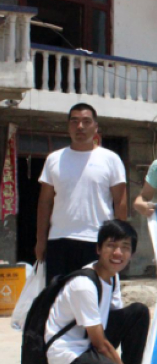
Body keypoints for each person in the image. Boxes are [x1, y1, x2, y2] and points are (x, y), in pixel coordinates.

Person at [48, 220, 150, 364]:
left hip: (87, 342)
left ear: (131, 253)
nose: (118, 253)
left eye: (125, 247)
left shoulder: (112, 276)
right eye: (111, 245)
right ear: (98, 249)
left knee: (138, 313)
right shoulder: (84, 285)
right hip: (69, 353)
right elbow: (100, 344)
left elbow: (116, 319)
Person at [36, 103, 127, 286]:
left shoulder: (110, 159)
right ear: (68, 126)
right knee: (58, 298)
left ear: (96, 126)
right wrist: (41, 241)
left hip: (98, 241)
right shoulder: (54, 159)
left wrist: (119, 243)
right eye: (74, 121)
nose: (80, 126)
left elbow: (120, 202)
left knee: (95, 297)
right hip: (59, 240)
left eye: (86, 121)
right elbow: (45, 202)